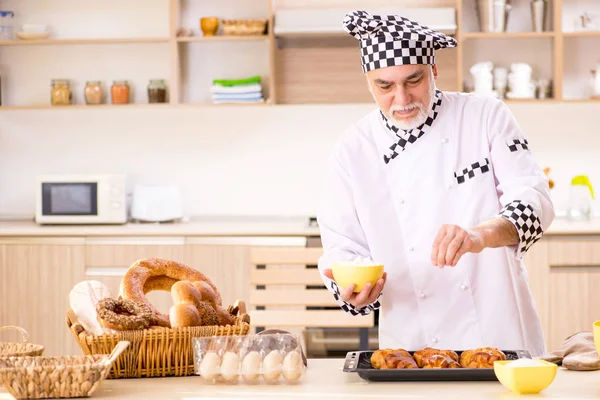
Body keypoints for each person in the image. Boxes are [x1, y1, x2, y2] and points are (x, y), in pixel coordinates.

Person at [316, 10, 555, 357]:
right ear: (369, 82)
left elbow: (535, 202)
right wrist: (352, 293)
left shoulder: (485, 116)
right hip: (411, 346)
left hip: (498, 330)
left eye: (413, 80)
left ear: (434, 71)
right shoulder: (352, 151)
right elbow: (341, 249)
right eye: (385, 86)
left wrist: (479, 235)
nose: (401, 99)